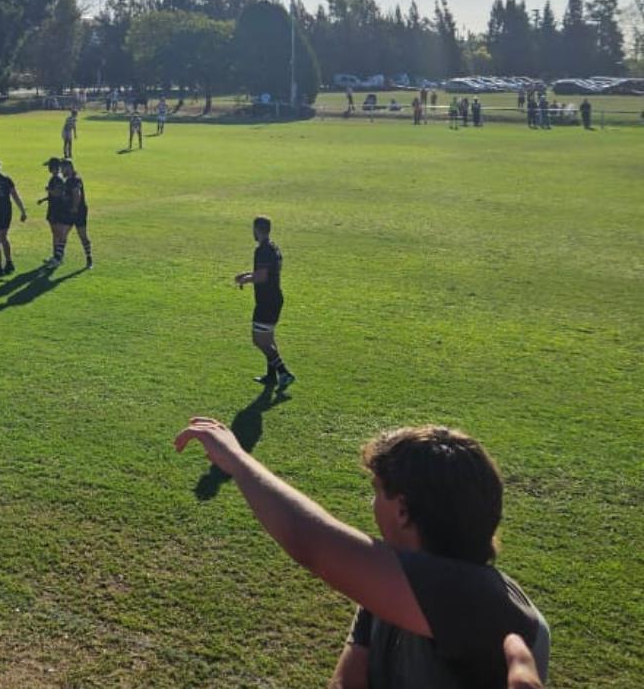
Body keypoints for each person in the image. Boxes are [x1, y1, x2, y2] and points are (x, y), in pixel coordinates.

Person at [173, 420, 550, 689]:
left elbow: (313, 543)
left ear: (402, 510)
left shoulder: (481, 600)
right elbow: (347, 681)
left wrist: (236, 460)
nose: (371, 504)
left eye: (377, 491)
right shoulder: (388, 585)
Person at [234, 216, 293, 391]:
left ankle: (284, 372)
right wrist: (246, 274)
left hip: (267, 302)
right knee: (268, 339)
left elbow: (261, 276)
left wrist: (245, 279)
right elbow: (265, 271)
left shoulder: (263, 250)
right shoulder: (273, 247)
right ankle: (271, 376)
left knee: (259, 340)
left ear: (257, 230)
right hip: (274, 299)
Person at [48, 160, 91, 270]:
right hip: (70, 212)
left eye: (63, 169)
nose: (61, 171)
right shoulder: (68, 180)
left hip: (78, 213)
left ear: (69, 167)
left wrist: (75, 208)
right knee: (63, 235)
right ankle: (57, 259)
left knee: (82, 236)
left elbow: (77, 194)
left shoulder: (75, 180)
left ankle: (89, 258)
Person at [38, 158, 66, 268]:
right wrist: (44, 199)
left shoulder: (57, 179)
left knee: (58, 233)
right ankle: (55, 256)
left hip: (57, 209)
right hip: (53, 208)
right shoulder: (56, 178)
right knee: (55, 233)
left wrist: (48, 190)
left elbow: (58, 193)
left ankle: (58, 258)